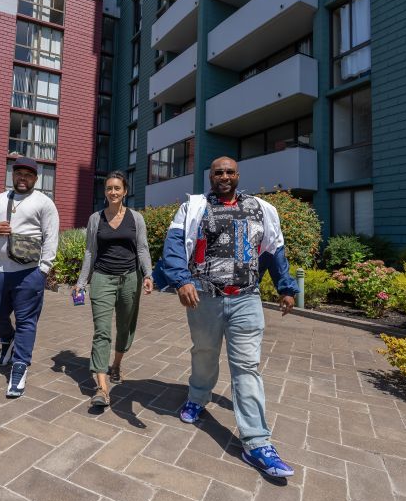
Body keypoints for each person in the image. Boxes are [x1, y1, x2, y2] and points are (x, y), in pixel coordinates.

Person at [154, 156, 299, 478]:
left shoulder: (262, 208)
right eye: (218, 172)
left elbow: (274, 250)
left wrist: (286, 287)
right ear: (210, 175)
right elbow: (174, 246)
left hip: (246, 299)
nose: (223, 176)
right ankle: (197, 397)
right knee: (204, 353)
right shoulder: (193, 207)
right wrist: (182, 280)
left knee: (246, 367)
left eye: (229, 172)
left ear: (237, 175)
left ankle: (257, 442)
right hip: (204, 298)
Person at [0, 156, 59, 398]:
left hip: (29, 272)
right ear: (12, 175)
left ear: (36, 178)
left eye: (29, 175)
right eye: (19, 174)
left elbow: (51, 237)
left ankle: (20, 367)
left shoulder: (44, 203)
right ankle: (7, 338)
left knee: (26, 321)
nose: (23, 178)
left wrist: (43, 269)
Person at [75, 171, 153, 407]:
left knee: (125, 327)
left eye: (117, 188)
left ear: (125, 191)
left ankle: (116, 364)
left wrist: (147, 274)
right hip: (102, 279)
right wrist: (81, 282)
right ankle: (101, 387)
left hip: (130, 279)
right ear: (105, 191)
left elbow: (142, 249)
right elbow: (90, 252)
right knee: (101, 331)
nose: (113, 192)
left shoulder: (136, 218)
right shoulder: (95, 219)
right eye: (109, 188)